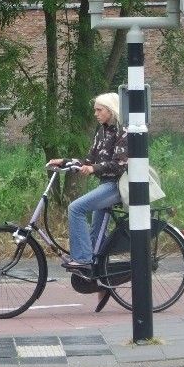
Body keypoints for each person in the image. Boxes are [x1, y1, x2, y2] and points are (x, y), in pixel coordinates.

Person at [50, 92, 128, 271]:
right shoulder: (101, 131)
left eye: (99, 110)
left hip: (118, 185)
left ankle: (83, 259)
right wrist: (64, 162)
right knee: (95, 234)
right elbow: (89, 161)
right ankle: (99, 270)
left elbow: (119, 164)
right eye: (95, 110)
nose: (96, 114)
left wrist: (94, 169)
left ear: (110, 110)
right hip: (106, 184)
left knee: (76, 208)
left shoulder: (123, 130)